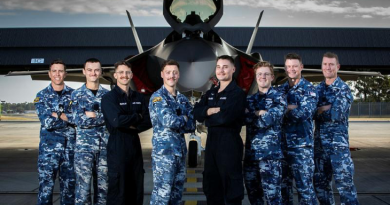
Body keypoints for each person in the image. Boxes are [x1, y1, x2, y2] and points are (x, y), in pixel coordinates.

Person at [194, 55, 246, 205]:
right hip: (212, 144)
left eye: (225, 67)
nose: (221, 70)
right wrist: (209, 111)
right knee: (212, 185)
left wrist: (207, 115)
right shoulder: (211, 93)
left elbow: (225, 118)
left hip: (229, 143)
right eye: (218, 67)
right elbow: (196, 113)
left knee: (231, 188)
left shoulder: (237, 94)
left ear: (233, 69)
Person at [101, 60, 151, 205]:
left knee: (136, 188)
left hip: (135, 147)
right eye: (121, 72)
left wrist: (130, 123)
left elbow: (148, 121)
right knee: (119, 190)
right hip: (117, 147)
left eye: (127, 72)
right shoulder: (108, 98)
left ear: (131, 75)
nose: (124, 75)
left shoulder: (139, 97)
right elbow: (116, 121)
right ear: (115, 75)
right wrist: (137, 117)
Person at [313, 52, 359, 205]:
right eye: (325, 64)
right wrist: (323, 108)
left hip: (338, 148)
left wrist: (319, 110)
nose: (328, 67)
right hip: (320, 148)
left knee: (346, 188)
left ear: (337, 67)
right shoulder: (318, 89)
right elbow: (310, 112)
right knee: (321, 187)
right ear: (321, 67)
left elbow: (336, 114)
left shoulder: (343, 89)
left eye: (331, 64)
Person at [148, 59, 196, 205]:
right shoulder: (158, 97)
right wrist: (185, 117)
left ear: (179, 75)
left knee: (176, 195)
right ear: (162, 74)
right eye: (168, 72)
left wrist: (182, 119)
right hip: (164, 155)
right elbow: (169, 121)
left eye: (174, 72)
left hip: (180, 153)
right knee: (162, 196)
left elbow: (192, 124)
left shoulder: (182, 98)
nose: (171, 76)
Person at [244, 61, 287, 205]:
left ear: (272, 77)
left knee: (273, 198)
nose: (263, 77)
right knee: (253, 196)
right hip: (251, 157)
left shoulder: (279, 97)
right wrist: (259, 113)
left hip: (270, 157)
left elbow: (268, 120)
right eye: (260, 74)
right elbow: (244, 118)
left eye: (266, 74)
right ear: (256, 77)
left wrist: (254, 115)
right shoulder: (249, 99)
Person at [34, 59, 76, 205]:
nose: (57, 74)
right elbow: (47, 122)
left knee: (69, 190)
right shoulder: (42, 95)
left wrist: (56, 114)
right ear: (49, 74)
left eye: (60, 71)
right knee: (45, 189)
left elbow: (78, 119)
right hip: (48, 151)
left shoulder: (74, 95)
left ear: (65, 73)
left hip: (69, 150)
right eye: (54, 71)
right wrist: (66, 117)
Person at [279, 53, 318, 204]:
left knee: (305, 190)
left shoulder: (310, 89)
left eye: (295, 66)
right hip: (282, 147)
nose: (292, 69)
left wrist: (284, 109)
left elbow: (304, 113)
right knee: (283, 190)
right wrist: (291, 107)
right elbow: (273, 112)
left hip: (302, 148)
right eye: (288, 66)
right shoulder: (281, 90)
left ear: (301, 67)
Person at [71, 58, 109, 205]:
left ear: (100, 72)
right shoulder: (76, 95)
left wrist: (92, 115)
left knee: (103, 190)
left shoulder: (107, 95)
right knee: (83, 191)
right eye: (90, 70)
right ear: (84, 72)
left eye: (96, 70)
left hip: (104, 149)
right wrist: (102, 117)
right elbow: (79, 120)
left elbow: (111, 119)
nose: (93, 73)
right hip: (84, 150)